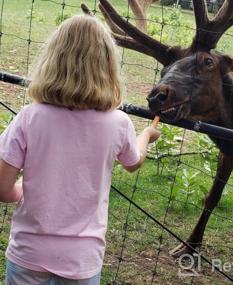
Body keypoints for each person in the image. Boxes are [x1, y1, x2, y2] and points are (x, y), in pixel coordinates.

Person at [0, 15, 160, 285]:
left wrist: (22, 192)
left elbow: (2, 189)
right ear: (108, 65)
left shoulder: (30, 117)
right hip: (82, 260)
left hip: (28, 253)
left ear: (53, 59)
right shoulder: (118, 123)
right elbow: (133, 161)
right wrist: (146, 135)